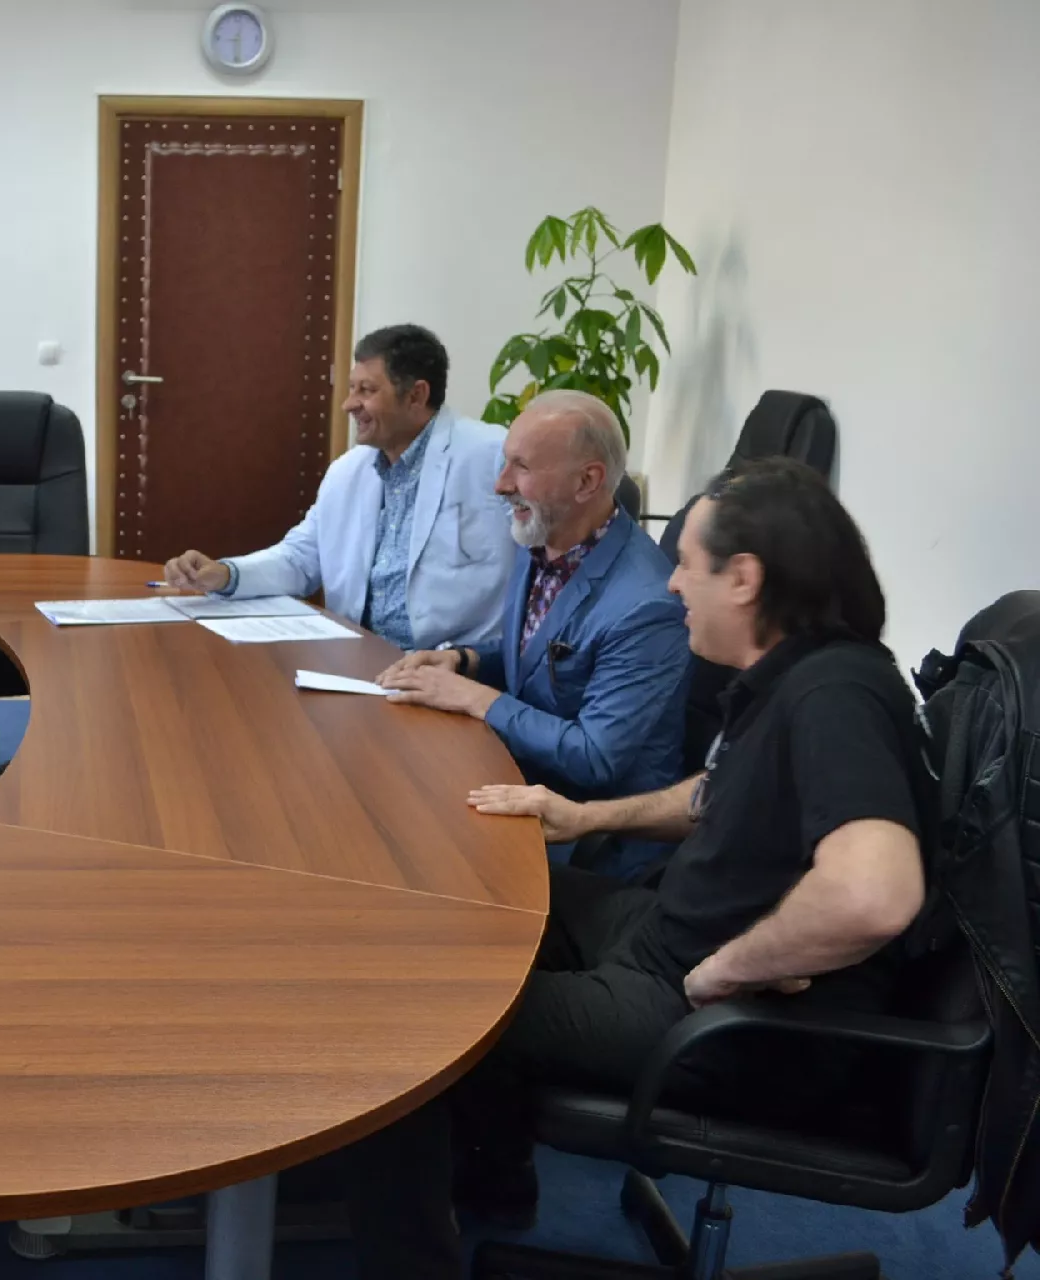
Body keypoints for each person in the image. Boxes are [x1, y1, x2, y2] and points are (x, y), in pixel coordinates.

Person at [336, 458, 935, 1277]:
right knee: (481, 896)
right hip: (668, 933)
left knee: (406, 1022)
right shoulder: (794, 672)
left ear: (745, 578)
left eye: (687, 564)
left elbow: (874, 893)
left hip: (724, 1016)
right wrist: (586, 817)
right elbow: (718, 793)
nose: (672, 584)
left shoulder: (836, 695)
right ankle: (493, 1181)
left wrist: (731, 968)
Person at [377, 390, 689, 876]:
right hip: (519, 787)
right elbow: (539, 653)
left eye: (520, 467)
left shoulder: (646, 606)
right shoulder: (544, 537)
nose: (501, 484)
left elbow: (594, 757)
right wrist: (465, 661)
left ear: (587, 481)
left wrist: (474, 697)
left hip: (592, 847)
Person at [160, 324, 516, 650]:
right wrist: (225, 574)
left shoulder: (493, 456)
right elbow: (300, 559)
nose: (349, 404)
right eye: (351, 388)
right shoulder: (348, 470)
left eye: (367, 390)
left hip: (452, 667)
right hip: (356, 658)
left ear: (416, 395)